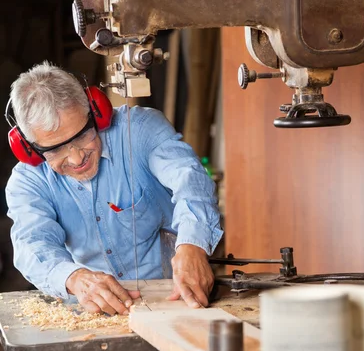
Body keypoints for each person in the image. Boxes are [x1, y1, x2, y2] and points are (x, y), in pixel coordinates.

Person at [5, 62, 223, 317]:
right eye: (55, 149)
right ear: (29, 148)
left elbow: (191, 181)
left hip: (177, 299)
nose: (76, 159)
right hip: (97, 313)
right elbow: (32, 244)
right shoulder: (27, 181)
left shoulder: (140, 130)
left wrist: (193, 245)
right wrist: (76, 279)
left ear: (96, 112)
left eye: (81, 136)